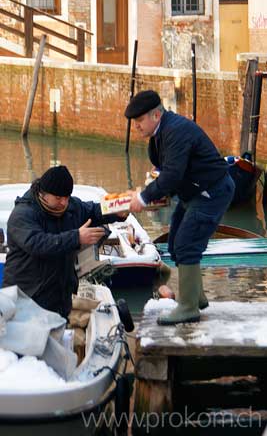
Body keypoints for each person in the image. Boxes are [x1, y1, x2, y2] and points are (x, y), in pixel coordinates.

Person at [125, 90, 235, 325]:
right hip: (194, 193)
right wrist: (152, 195)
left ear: (156, 115)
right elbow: (168, 172)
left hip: (211, 192)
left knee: (187, 244)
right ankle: (197, 297)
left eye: (140, 120)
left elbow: (173, 174)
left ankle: (188, 307)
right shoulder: (159, 133)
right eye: (135, 122)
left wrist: (143, 198)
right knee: (175, 243)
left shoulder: (176, 130)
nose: (136, 126)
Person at [3, 165, 124, 319]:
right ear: (43, 194)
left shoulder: (72, 207)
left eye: (67, 197)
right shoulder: (22, 215)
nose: (64, 203)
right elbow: (38, 244)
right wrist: (77, 237)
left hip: (59, 296)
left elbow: (94, 210)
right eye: (58, 198)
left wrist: (120, 207)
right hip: (27, 297)